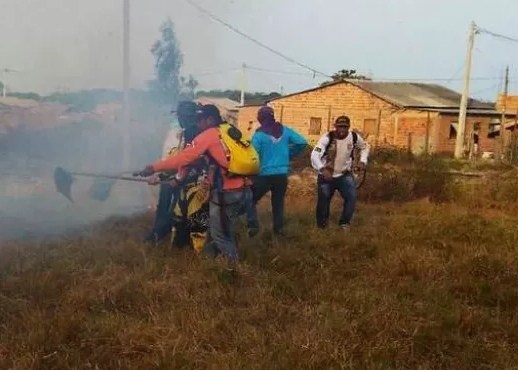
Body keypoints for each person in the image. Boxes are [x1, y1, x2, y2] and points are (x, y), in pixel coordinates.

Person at [140, 104, 253, 266]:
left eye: (201, 120)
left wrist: (155, 169)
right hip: (241, 187)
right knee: (214, 229)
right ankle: (206, 262)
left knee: (209, 228)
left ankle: (232, 270)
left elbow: (185, 159)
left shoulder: (205, 135)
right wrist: (167, 175)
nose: (198, 123)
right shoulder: (228, 130)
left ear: (210, 119)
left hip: (215, 189)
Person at [249, 105, 309, 236]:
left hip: (263, 175)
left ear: (260, 118)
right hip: (281, 174)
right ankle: (278, 230)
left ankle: (253, 227)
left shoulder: (259, 135)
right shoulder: (285, 130)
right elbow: (302, 142)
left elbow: (252, 155)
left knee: (250, 200)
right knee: (278, 203)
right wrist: (290, 154)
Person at [144, 101, 195, 244]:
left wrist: (174, 176)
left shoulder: (193, 134)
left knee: (177, 211)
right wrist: (158, 172)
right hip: (170, 175)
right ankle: (157, 234)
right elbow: (169, 156)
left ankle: (169, 237)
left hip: (183, 178)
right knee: (165, 206)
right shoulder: (175, 132)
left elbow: (186, 160)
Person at [311, 115, 369, 231]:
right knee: (324, 201)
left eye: (345, 127)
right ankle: (322, 227)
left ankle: (344, 223)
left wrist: (362, 161)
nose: (342, 130)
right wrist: (322, 169)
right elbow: (314, 155)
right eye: (339, 127)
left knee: (351, 197)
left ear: (348, 127)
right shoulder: (327, 138)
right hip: (327, 175)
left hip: (344, 174)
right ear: (335, 127)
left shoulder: (353, 137)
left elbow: (365, 147)